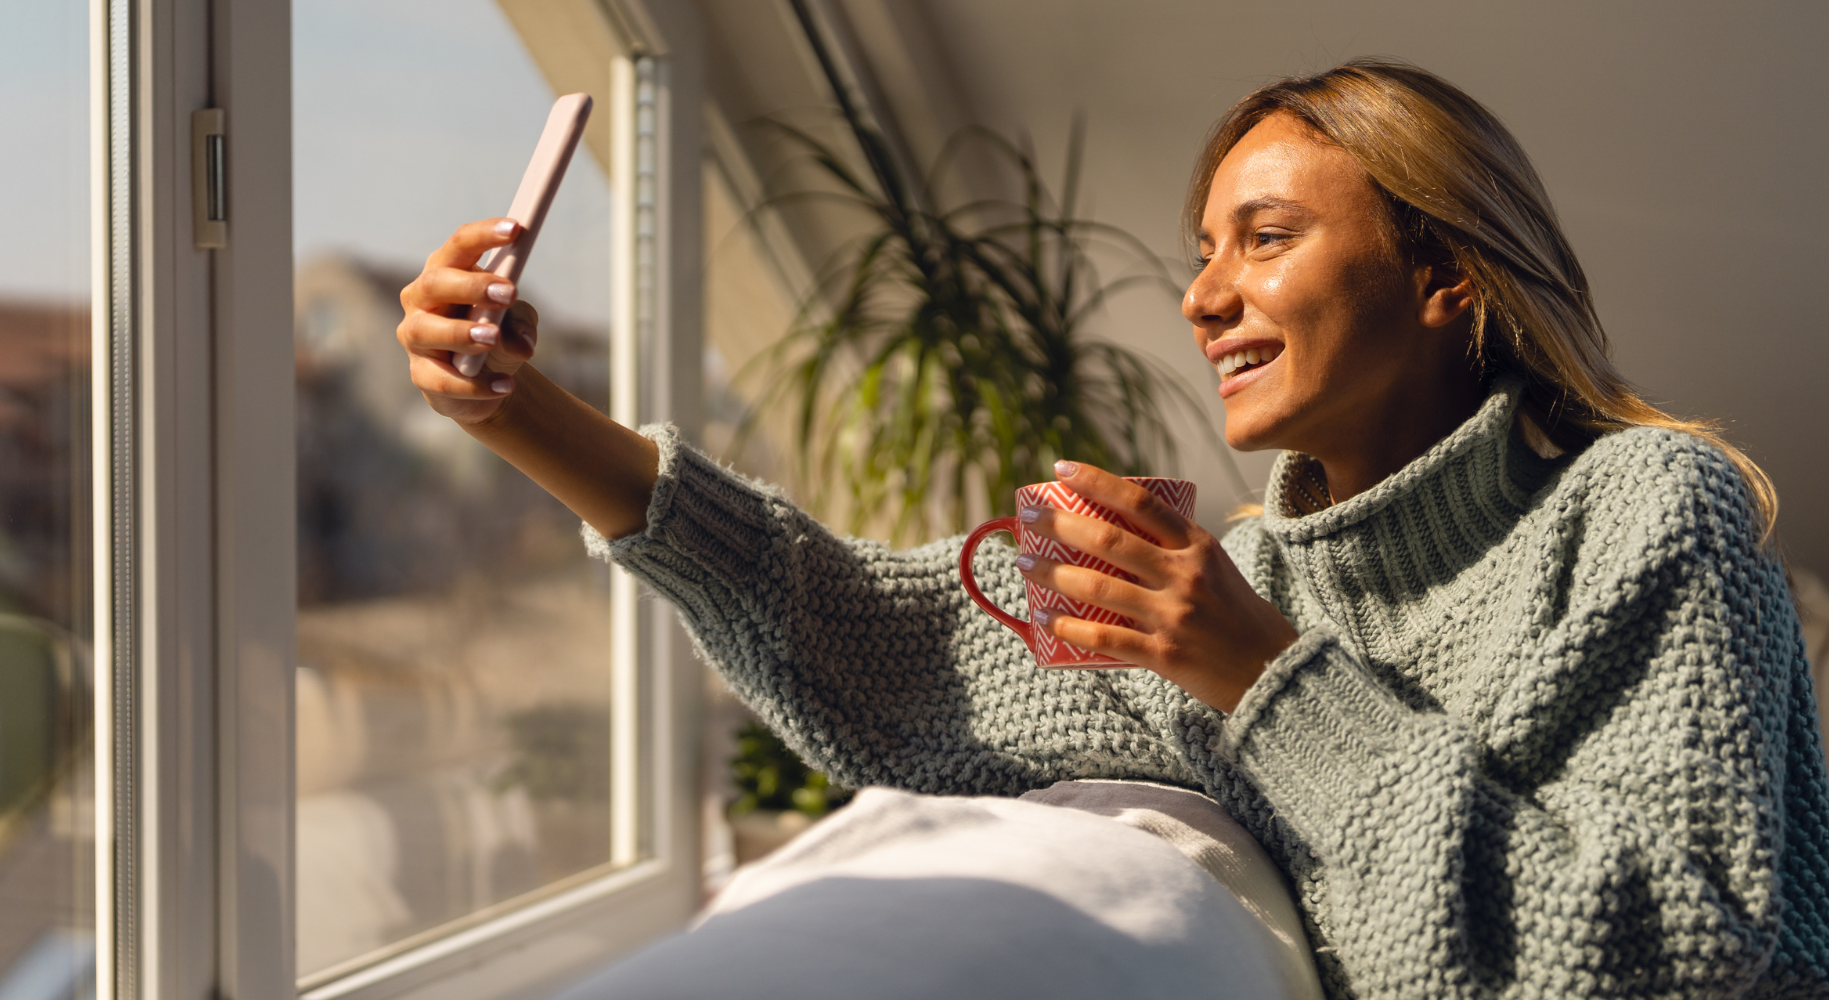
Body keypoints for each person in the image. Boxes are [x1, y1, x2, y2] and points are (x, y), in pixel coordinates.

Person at [395, 60, 1829, 999]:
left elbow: (1680, 956)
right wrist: (526, 416)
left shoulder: (1644, 506)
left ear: (1445, 273)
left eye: (1262, 239)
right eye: (1201, 251)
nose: (1202, 297)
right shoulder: (1243, 582)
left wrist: (1264, 681)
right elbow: (880, 645)